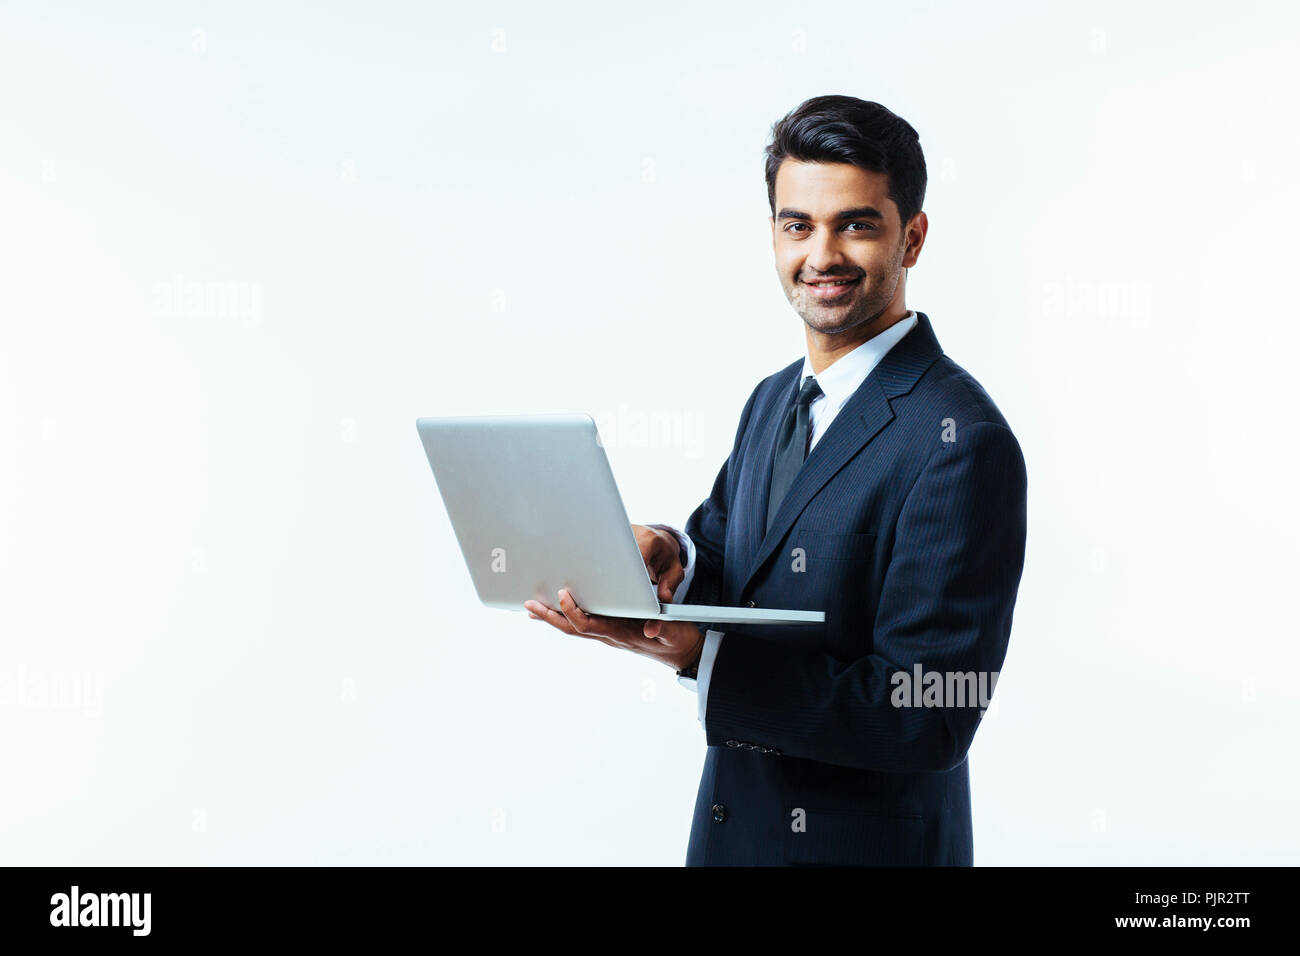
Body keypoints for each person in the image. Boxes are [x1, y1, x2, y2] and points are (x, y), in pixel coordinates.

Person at [525, 94, 1027, 866]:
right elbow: (729, 558)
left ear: (913, 237)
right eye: (798, 224)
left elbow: (930, 713)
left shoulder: (960, 441)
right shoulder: (772, 399)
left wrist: (703, 657)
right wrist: (665, 554)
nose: (820, 254)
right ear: (773, 234)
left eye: (855, 224)